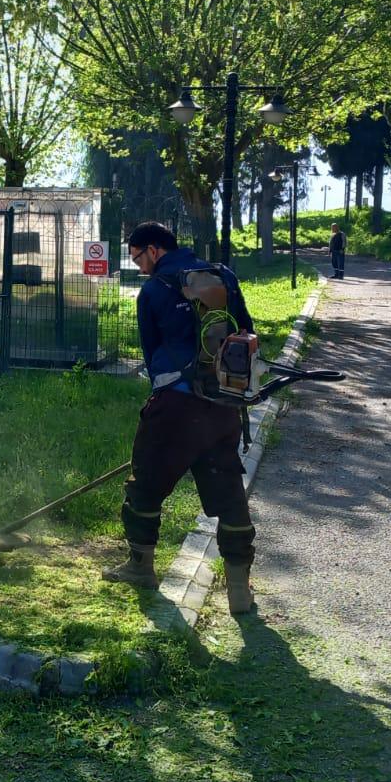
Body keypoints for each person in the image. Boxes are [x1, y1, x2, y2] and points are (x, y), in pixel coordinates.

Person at [103, 222, 258, 615]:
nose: (137, 265)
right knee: (230, 497)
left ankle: (141, 568)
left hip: (174, 407)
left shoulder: (154, 290)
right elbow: (246, 330)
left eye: (137, 256)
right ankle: (240, 590)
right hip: (223, 404)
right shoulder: (223, 275)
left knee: (144, 487)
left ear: (153, 250)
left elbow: (151, 350)